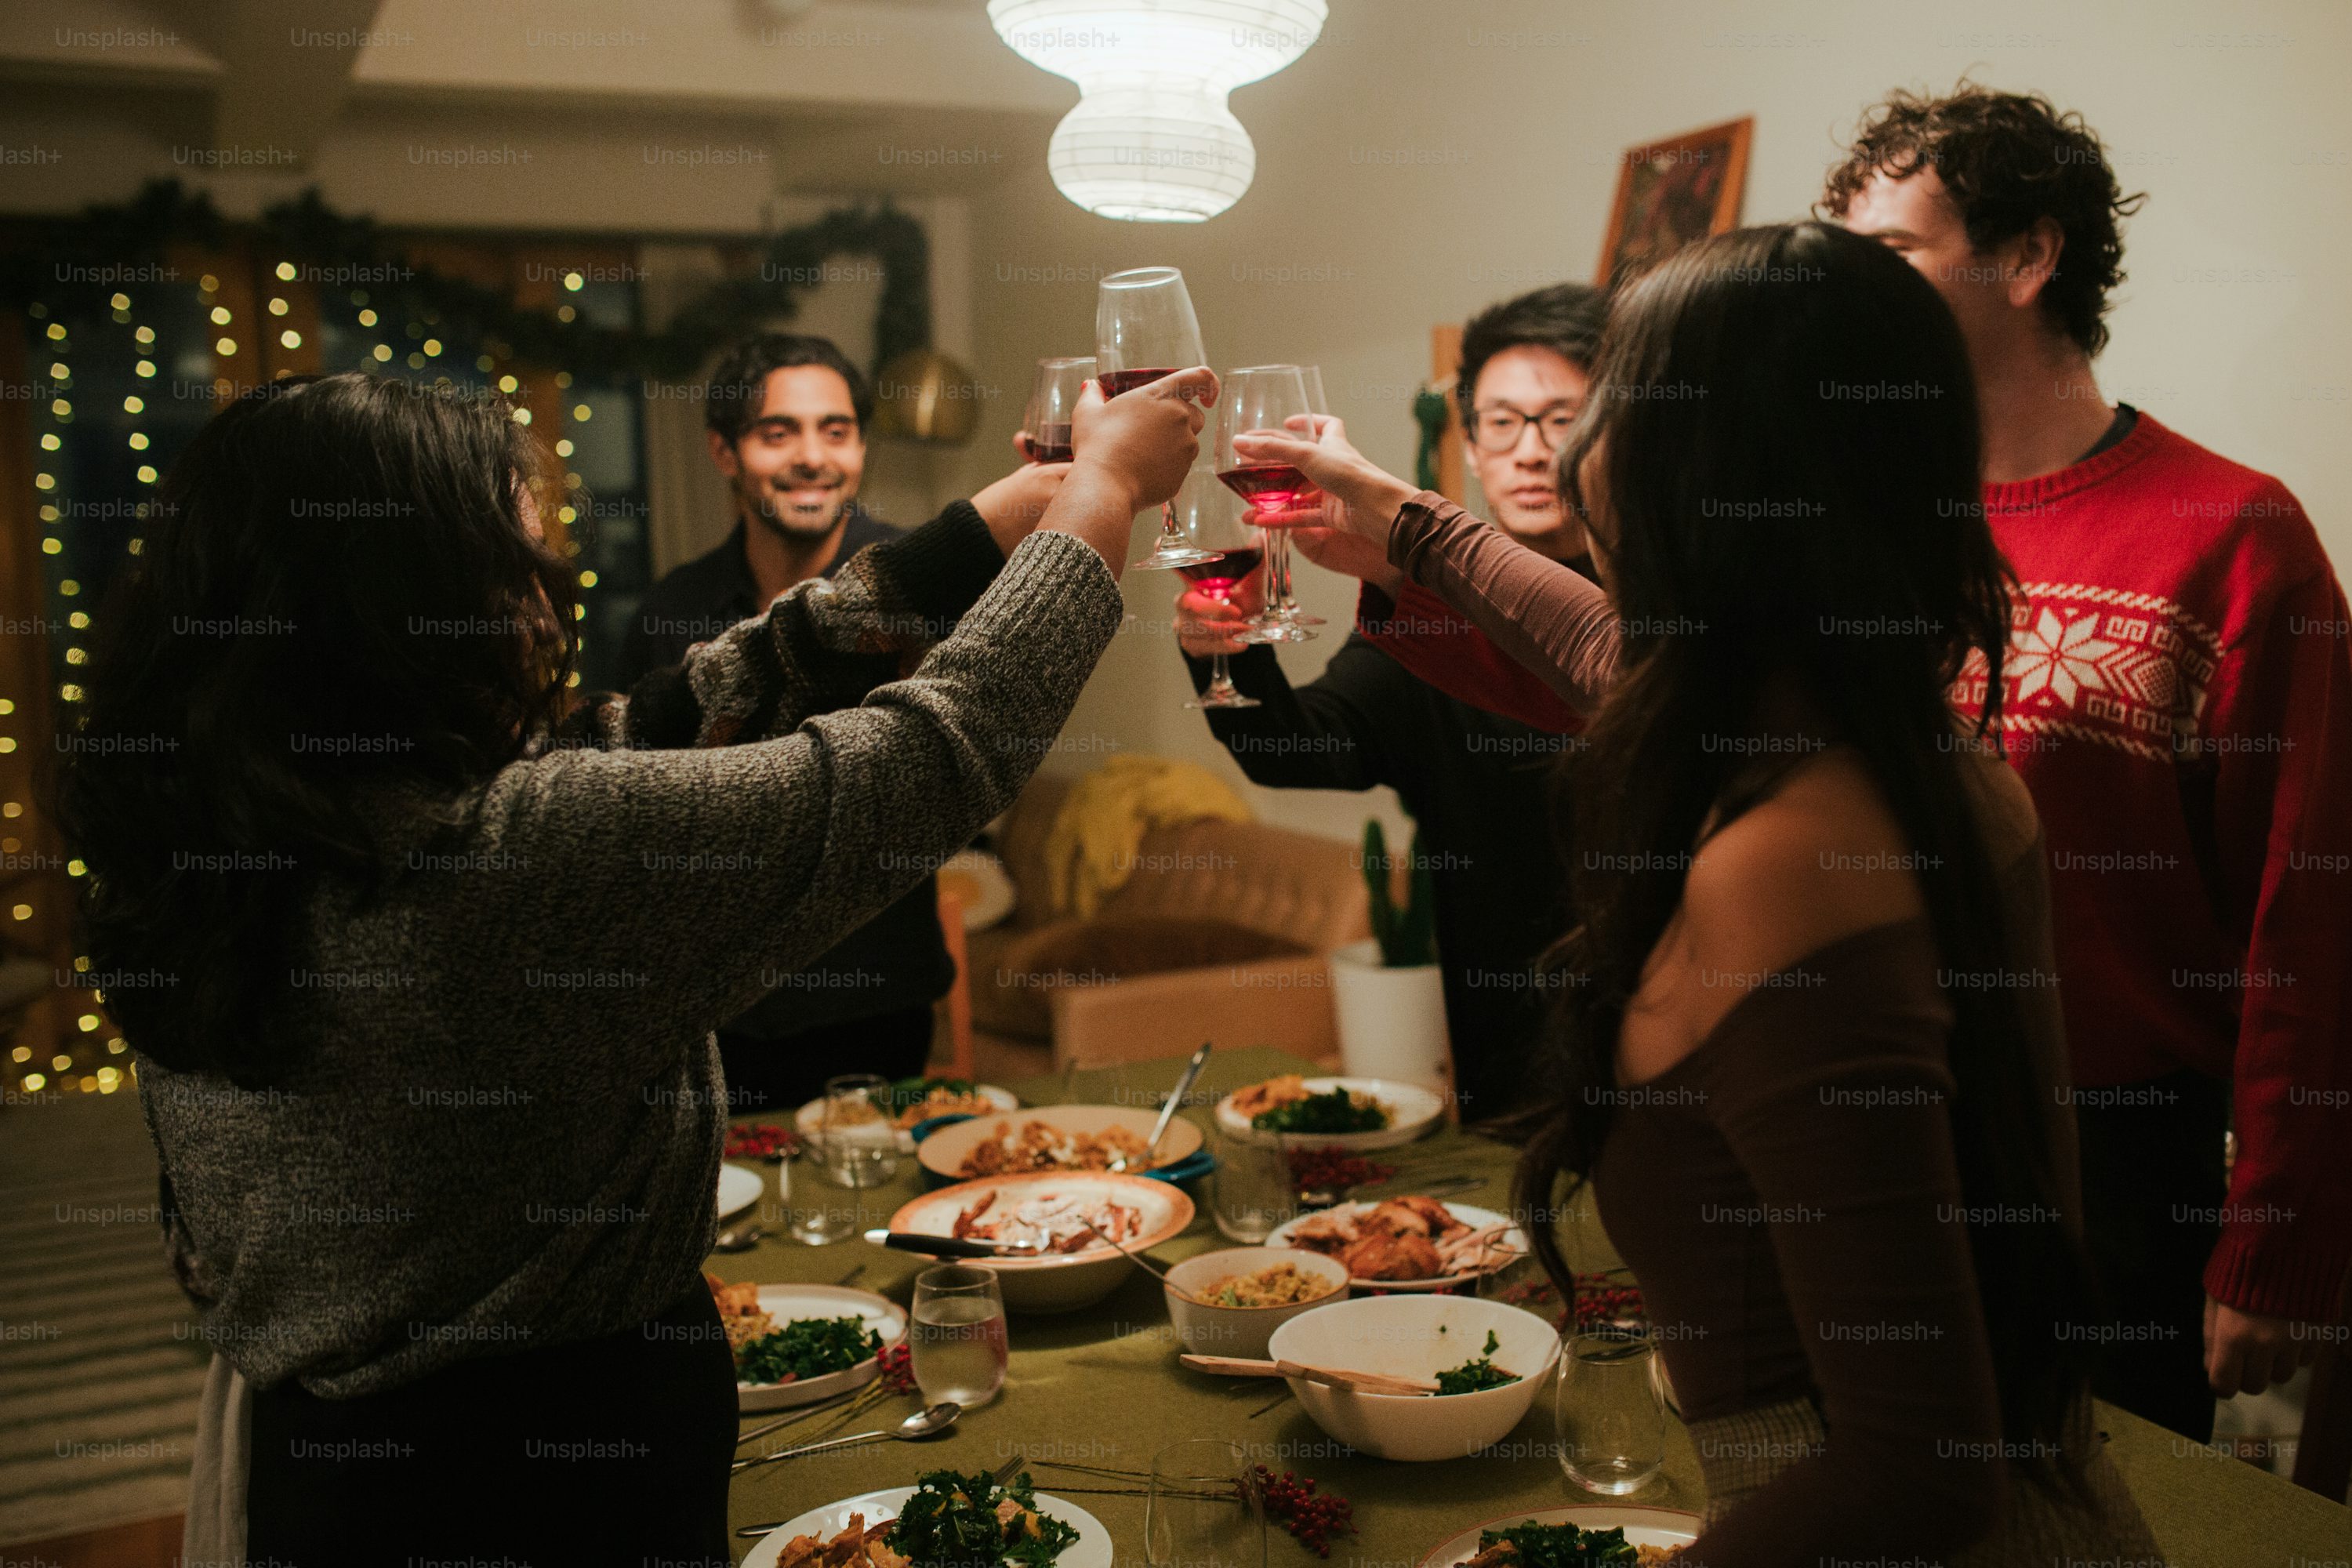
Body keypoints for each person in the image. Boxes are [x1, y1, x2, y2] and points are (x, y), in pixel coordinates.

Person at [1318, 84, 2352, 1441]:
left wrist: (2277, 1232)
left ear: (2029, 259)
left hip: (2111, 1147)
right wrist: (1403, 541)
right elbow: (1657, 676)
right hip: (1849, 1101)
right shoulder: (1860, 518)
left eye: (1894, 253)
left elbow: (2314, 906)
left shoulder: (2231, 530)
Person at [58, 365, 1210, 1566]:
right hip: (533, 1479)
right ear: (408, 600)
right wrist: (1108, 495)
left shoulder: (228, 822)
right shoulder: (497, 860)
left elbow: (698, 706)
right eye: (514, 554)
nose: (539, 593)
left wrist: (994, 525)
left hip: (324, 1468)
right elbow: (929, 753)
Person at [1236, 222, 2158, 1561]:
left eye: (1607, 403)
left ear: (1697, 473)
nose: (1576, 452)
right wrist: (1402, 525)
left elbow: (1916, 1477)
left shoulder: (1785, 866)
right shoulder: (1880, 732)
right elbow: (1626, 662)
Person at [1172, 285, 1606, 1120]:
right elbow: (1300, 752)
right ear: (1471, 447)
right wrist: (1229, 649)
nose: (1529, 450)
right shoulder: (1429, 611)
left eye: (1560, 419)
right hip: (1503, 1033)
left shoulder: (1648, 608)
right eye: (1502, 422)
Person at [615, 332, 1068, 1112]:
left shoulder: (928, 579)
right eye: (777, 432)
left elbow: (964, 759)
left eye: (836, 430)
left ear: (860, 445)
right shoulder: (672, 609)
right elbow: (634, 799)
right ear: (724, 452)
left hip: (873, 992)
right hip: (718, 1005)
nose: (812, 456)